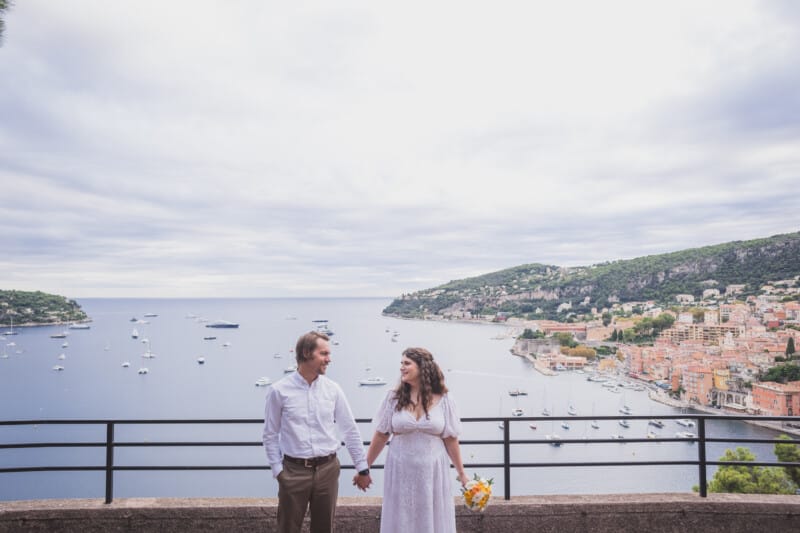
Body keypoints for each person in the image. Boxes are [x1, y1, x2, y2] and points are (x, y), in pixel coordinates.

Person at [263, 331, 373, 533]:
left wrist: (362, 468)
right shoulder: (279, 391)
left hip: (328, 470)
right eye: (324, 354)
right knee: (287, 528)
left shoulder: (333, 389)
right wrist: (278, 471)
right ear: (306, 353)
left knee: (324, 529)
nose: (329, 359)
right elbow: (270, 434)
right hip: (293, 471)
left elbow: (349, 429)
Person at [356, 347, 468, 533]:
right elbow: (381, 435)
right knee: (401, 518)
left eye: (407, 363)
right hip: (401, 469)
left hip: (433, 471)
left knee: (432, 517)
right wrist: (364, 468)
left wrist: (462, 474)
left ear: (422, 367)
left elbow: (450, 439)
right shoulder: (393, 398)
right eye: (401, 363)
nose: (402, 367)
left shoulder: (445, 399)